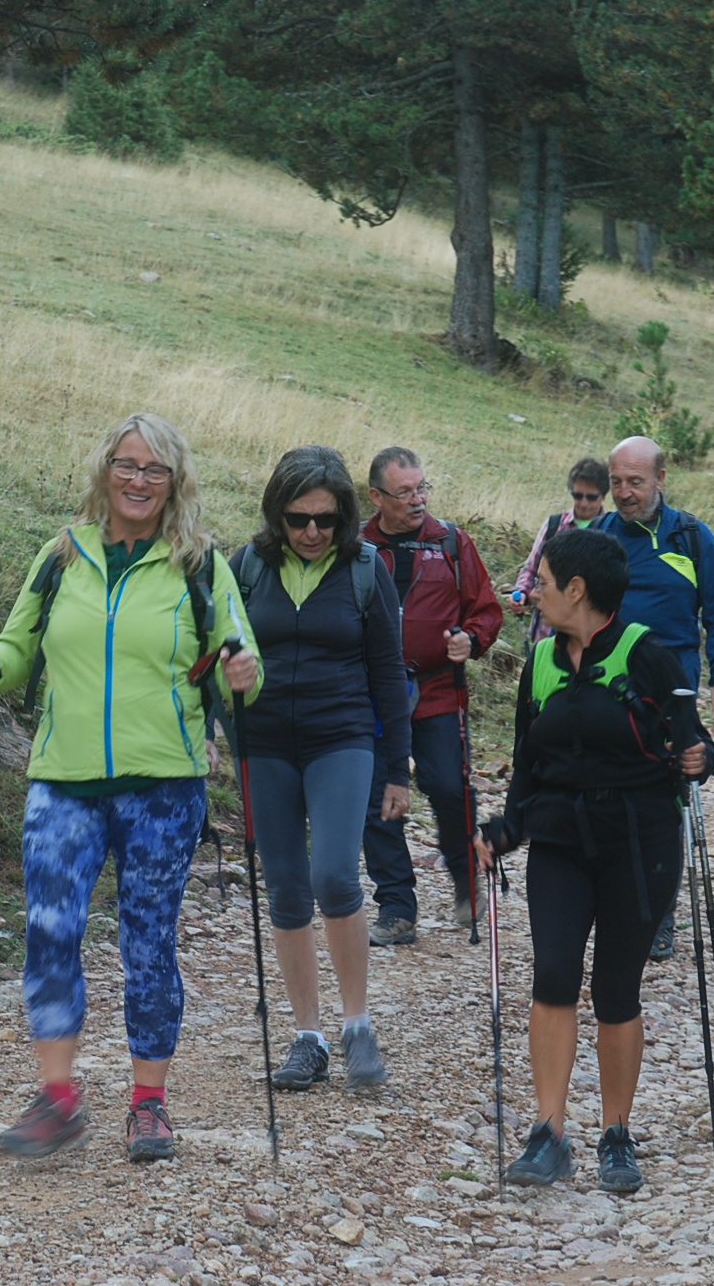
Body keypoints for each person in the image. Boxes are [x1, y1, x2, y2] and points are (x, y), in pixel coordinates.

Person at [0, 413, 259, 1161]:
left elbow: (241, 662)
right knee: (50, 929)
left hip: (165, 785)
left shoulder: (201, 564)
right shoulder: (61, 554)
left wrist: (244, 672)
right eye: (127, 464)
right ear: (105, 470)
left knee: (148, 942)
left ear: (175, 482)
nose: (138, 480)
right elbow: (18, 649)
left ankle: (149, 1104)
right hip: (64, 780)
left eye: (155, 469)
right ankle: (57, 1098)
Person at [473, 528, 713, 1194]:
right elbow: (528, 764)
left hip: (639, 845)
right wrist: (505, 829)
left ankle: (616, 1135)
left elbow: (692, 747)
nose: (534, 592)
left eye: (544, 582)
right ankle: (548, 1133)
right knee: (552, 974)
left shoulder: (649, 657)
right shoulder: (540, 662)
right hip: (559, 844)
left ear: (577, 590)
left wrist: (701, 758)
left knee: (615, 989)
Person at [230, 446, 411, 1090]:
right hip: (265, 744)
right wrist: (225, 729)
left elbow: (388, 671)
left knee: (334, 876)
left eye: (326, 520)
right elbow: (216, 657)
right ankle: (308, 1037)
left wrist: (398, 769)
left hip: (343, 737)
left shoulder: (364, 569)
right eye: (298, 519)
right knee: (285, 889)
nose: (312, 532)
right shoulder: (247, 567)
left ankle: (357, 1025)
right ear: (276, 513)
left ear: (345, 517)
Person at [589, 435, 714, 960]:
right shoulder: (599, 536)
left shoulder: (691, 537)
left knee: (663, 802)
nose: (624, 493)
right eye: (616, 482)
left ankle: (658, 914)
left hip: (670, 690)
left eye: (635, 482)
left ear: (661, 479)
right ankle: (606, 902)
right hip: (606, 686)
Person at [360, 447, 505, 946]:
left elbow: (486, 610)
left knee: (447, 787)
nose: (418, 500)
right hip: (374, 696)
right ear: (376, 496)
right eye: (404, 492)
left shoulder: (451, 542)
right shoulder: (356, 548)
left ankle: (466, 881)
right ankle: (397, 908)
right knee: (377, 797)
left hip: (439, 689)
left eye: (422, 488)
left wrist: (471, 639)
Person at [509, 457, 611, 644]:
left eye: (591, 497)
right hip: (546, 634)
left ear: (603, 496)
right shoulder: (553, 526)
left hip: (589, 638)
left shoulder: (611, 531)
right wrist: (521, 592)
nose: (584, 503)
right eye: (578, 496)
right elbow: (531, 568)